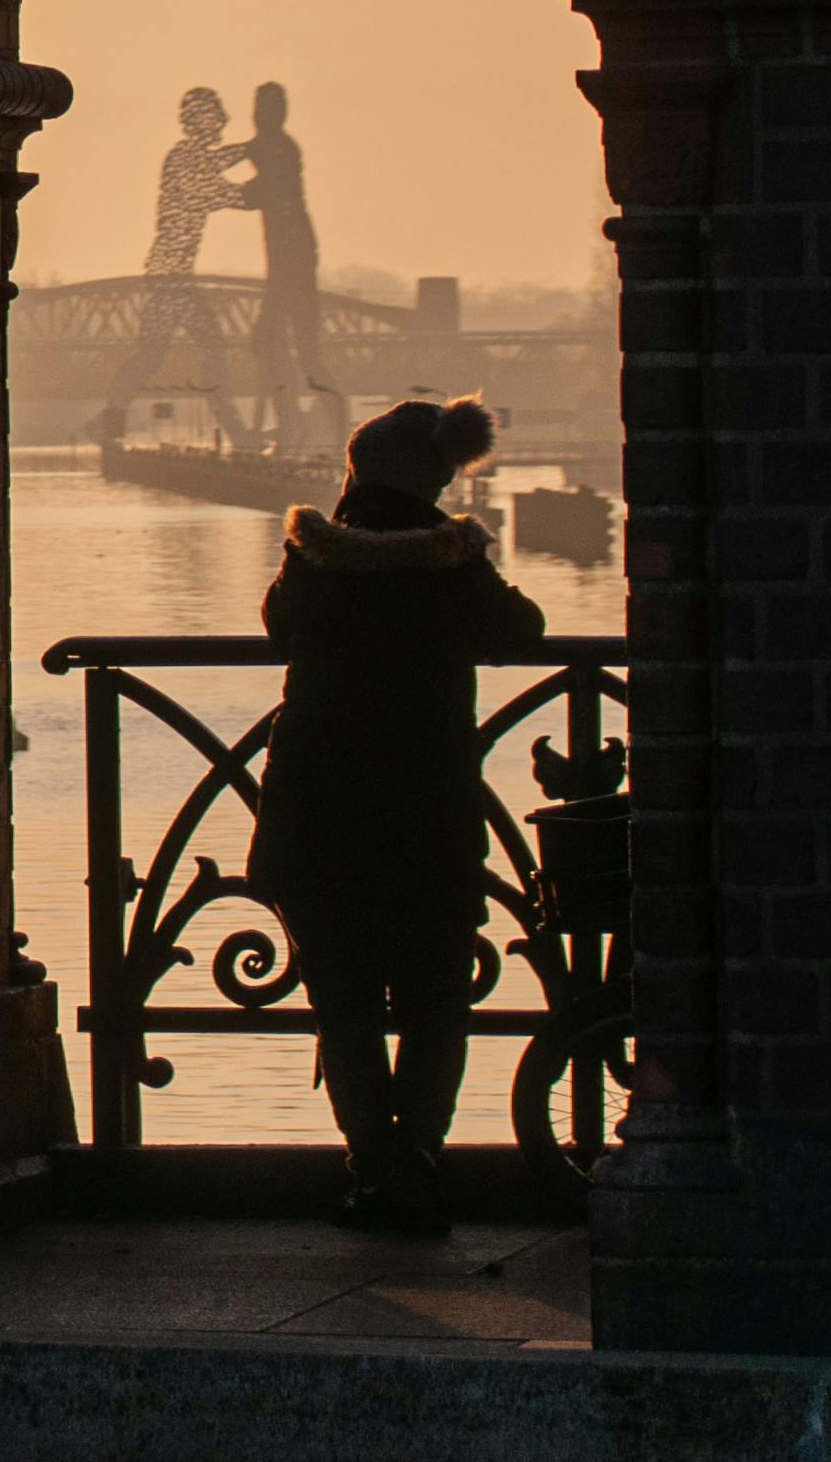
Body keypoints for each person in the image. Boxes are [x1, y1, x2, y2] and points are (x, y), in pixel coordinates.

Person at [246, 393, 541, 1235]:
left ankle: (371, 1164)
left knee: (343, 1002)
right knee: (435, 999)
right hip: (426, 809)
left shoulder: (316, 557)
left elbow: (276, 625)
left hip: (316, 809)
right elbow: (522, 628)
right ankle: (419, 1161)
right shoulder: (453, 562)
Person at [99, 86, 257, 440]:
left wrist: (250, 149)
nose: (224, 121)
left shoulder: (191, 156)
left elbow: (218, 162)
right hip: (171, 278)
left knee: (154, 355)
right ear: (199, 120)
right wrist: (263, 183)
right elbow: (224, 193)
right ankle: (237, 431)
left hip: (170, 276)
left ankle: (109, 421)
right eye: (215, 116)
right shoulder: (185, 159)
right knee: (204, 348)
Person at [235, 83, 330, 452]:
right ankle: (295, 424)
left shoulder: (276, 147)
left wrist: (206, 191)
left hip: (293, 257)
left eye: (264, 106)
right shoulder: (271, 146)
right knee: (273, 342)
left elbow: (257, 192)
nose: (258, 113)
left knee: (296, 346)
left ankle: (304, 426)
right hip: (287, 255)